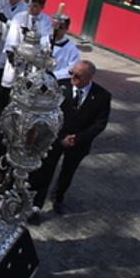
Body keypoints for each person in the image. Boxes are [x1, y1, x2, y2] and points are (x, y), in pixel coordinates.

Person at [28, 60, 111, 222]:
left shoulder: (102, 96)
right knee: (45, 172)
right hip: (55, 139)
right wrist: (59, 138)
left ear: (89, 77)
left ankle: (58, 198)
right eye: (71, 73)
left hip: (78, 143)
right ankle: (35, 206)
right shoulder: (61, 87)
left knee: (68, 172)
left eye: (78, 76)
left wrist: (77, 139)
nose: (73, 77)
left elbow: (100, 123)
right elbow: (47, 113)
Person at [50, 16, 81, 81]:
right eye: (55, 26)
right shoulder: (42, 40)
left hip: (58, 80)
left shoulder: (72, 49)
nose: (56, 30)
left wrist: (54, 74)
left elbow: (72, 69)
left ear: (66, 28)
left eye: (60, 27)